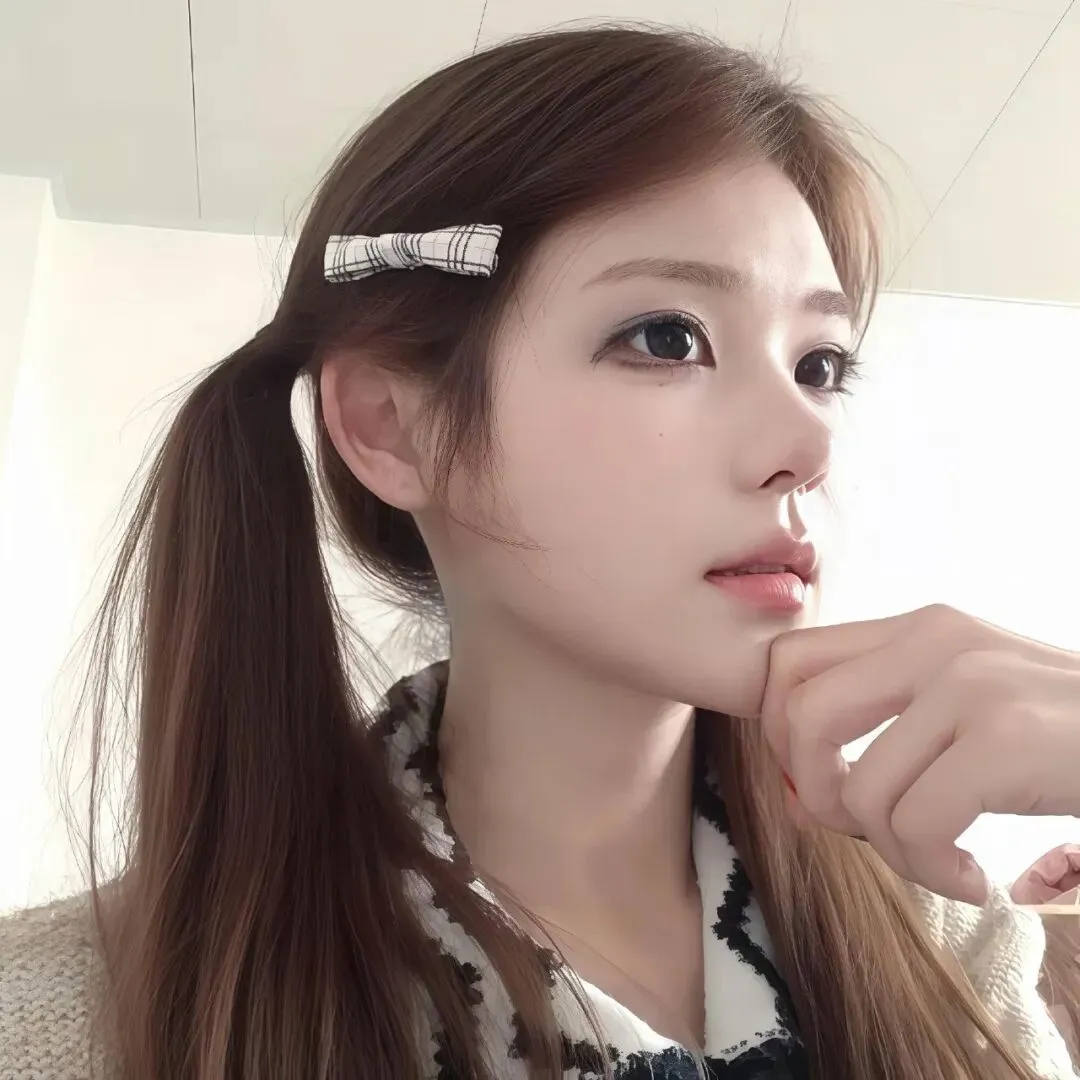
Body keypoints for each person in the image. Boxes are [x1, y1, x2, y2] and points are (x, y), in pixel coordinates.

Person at [0, 23, 1078, 1080]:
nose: (809, 447)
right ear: (390, 425)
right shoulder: (65, 1017)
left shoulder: (951, 945)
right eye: (667, 337)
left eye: (821, 365)